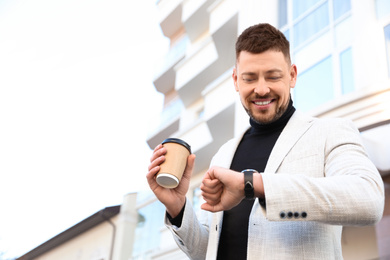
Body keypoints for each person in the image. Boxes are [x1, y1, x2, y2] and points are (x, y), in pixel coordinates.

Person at [146, 23, 384, 260]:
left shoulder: (330, 132)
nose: (261, 89)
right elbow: (206, 251)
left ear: (292, 76)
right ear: (235, 80)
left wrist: (253, 184)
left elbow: (369, 199)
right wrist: (177, 207)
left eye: (273, 76)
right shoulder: (223, 155)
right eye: (249, 79)